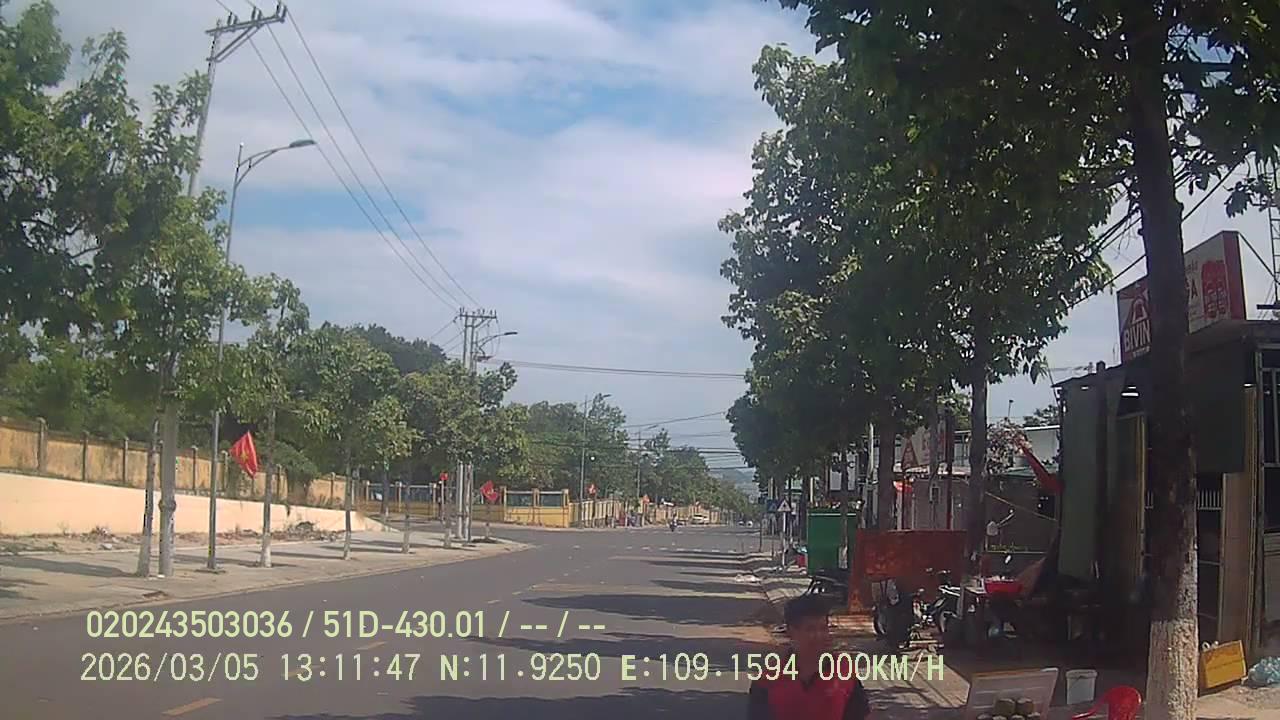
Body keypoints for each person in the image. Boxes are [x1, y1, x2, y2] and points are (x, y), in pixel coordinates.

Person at [748, 594, 871, 720]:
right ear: (791, 631)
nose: (818, 636)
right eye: (810, 629)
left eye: (823, 628)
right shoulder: (768, 679)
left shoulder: (844, 671)